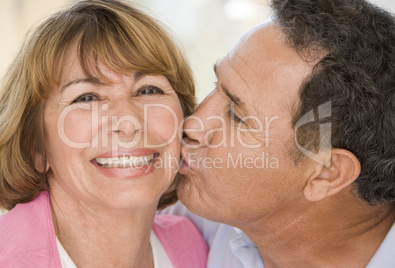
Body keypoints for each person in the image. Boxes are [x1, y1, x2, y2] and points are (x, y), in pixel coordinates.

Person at [162, 0, 395, 267]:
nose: (192, 125)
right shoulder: (179, 222)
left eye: (236, 116)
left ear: (326, 172)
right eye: (216, 85)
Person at [0, 0, 208, 267]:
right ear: (35, 146)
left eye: (148, 90)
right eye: (87, 97)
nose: (128, 124)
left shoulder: (194, 247)